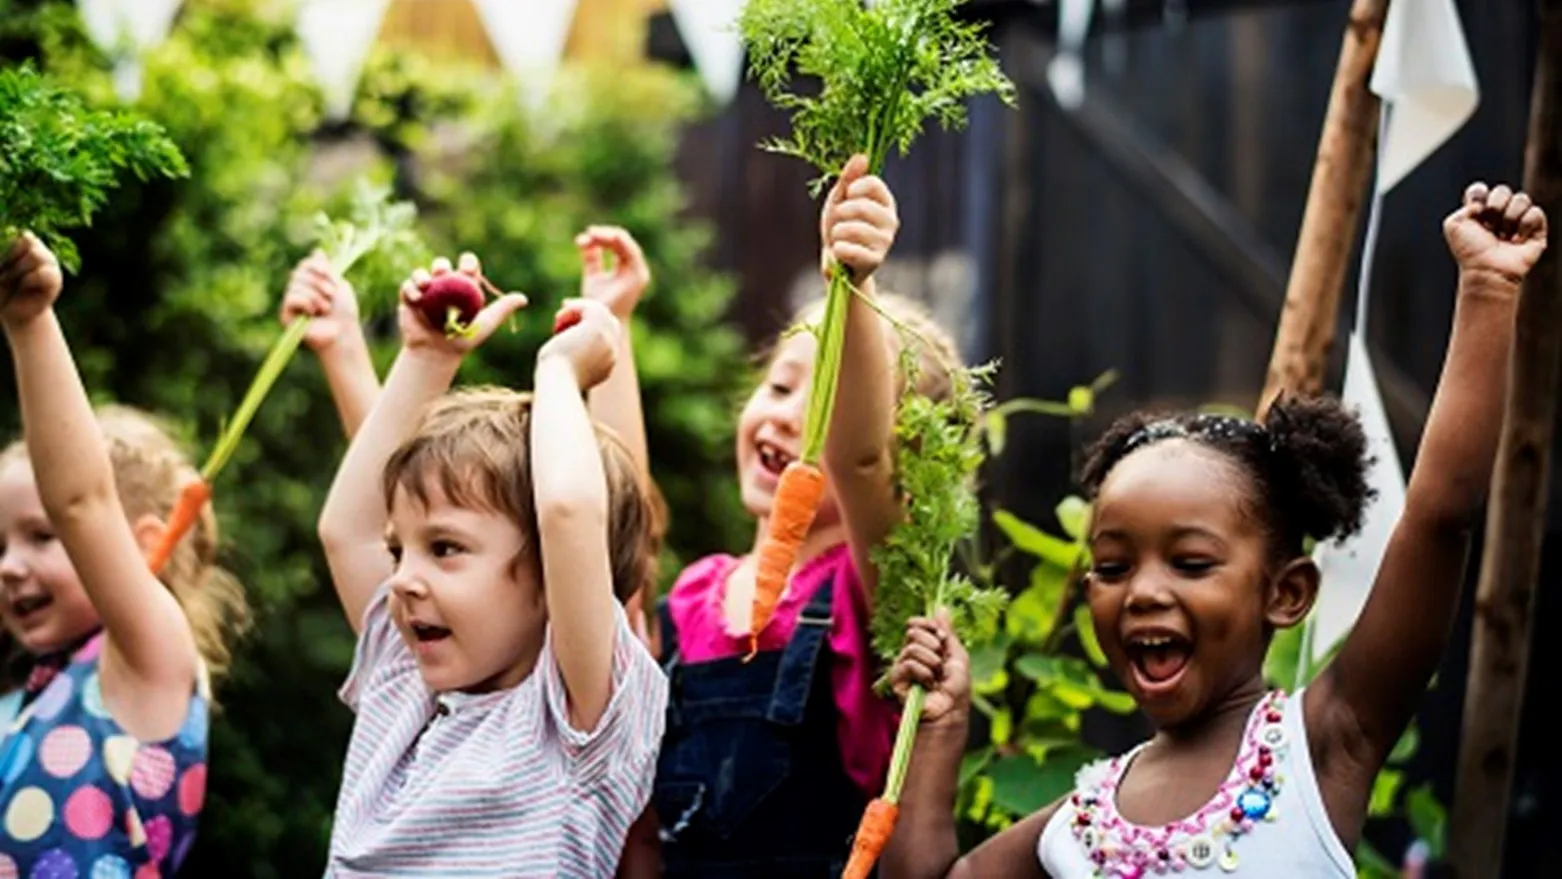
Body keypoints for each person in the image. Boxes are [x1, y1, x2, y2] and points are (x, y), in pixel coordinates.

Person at [878, 182, 1549, 877]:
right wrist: (939, 730)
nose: (1142, 591)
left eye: (1190, 562)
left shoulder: (1324, 743)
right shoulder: (1079, 824)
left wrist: (1489, 289)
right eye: (1112, 567)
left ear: (1286, 593)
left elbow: (1441, 515)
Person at [613, 154, 962, 878]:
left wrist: (852, 286)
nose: (787, 420)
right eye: (779, 384)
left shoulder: (872, 593)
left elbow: (861, 463)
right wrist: (612, 325)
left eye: (826, 406)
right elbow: (620, 524)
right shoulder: (692, 596)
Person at [316, 254, 667, 876]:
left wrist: (558, 370)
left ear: (553, 579)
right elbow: (345, 532)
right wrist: (426, 358)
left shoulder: (576, 722)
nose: (402, 579)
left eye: (445, 548)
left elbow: (566, 511)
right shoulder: (403, 683)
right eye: (402, 551)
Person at [0, 232, 249, 873]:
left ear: (141, 548)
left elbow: (82, 501)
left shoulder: (147, 662)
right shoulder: (23, 706)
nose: (7, 566)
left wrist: (30, 323)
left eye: (42, 535)